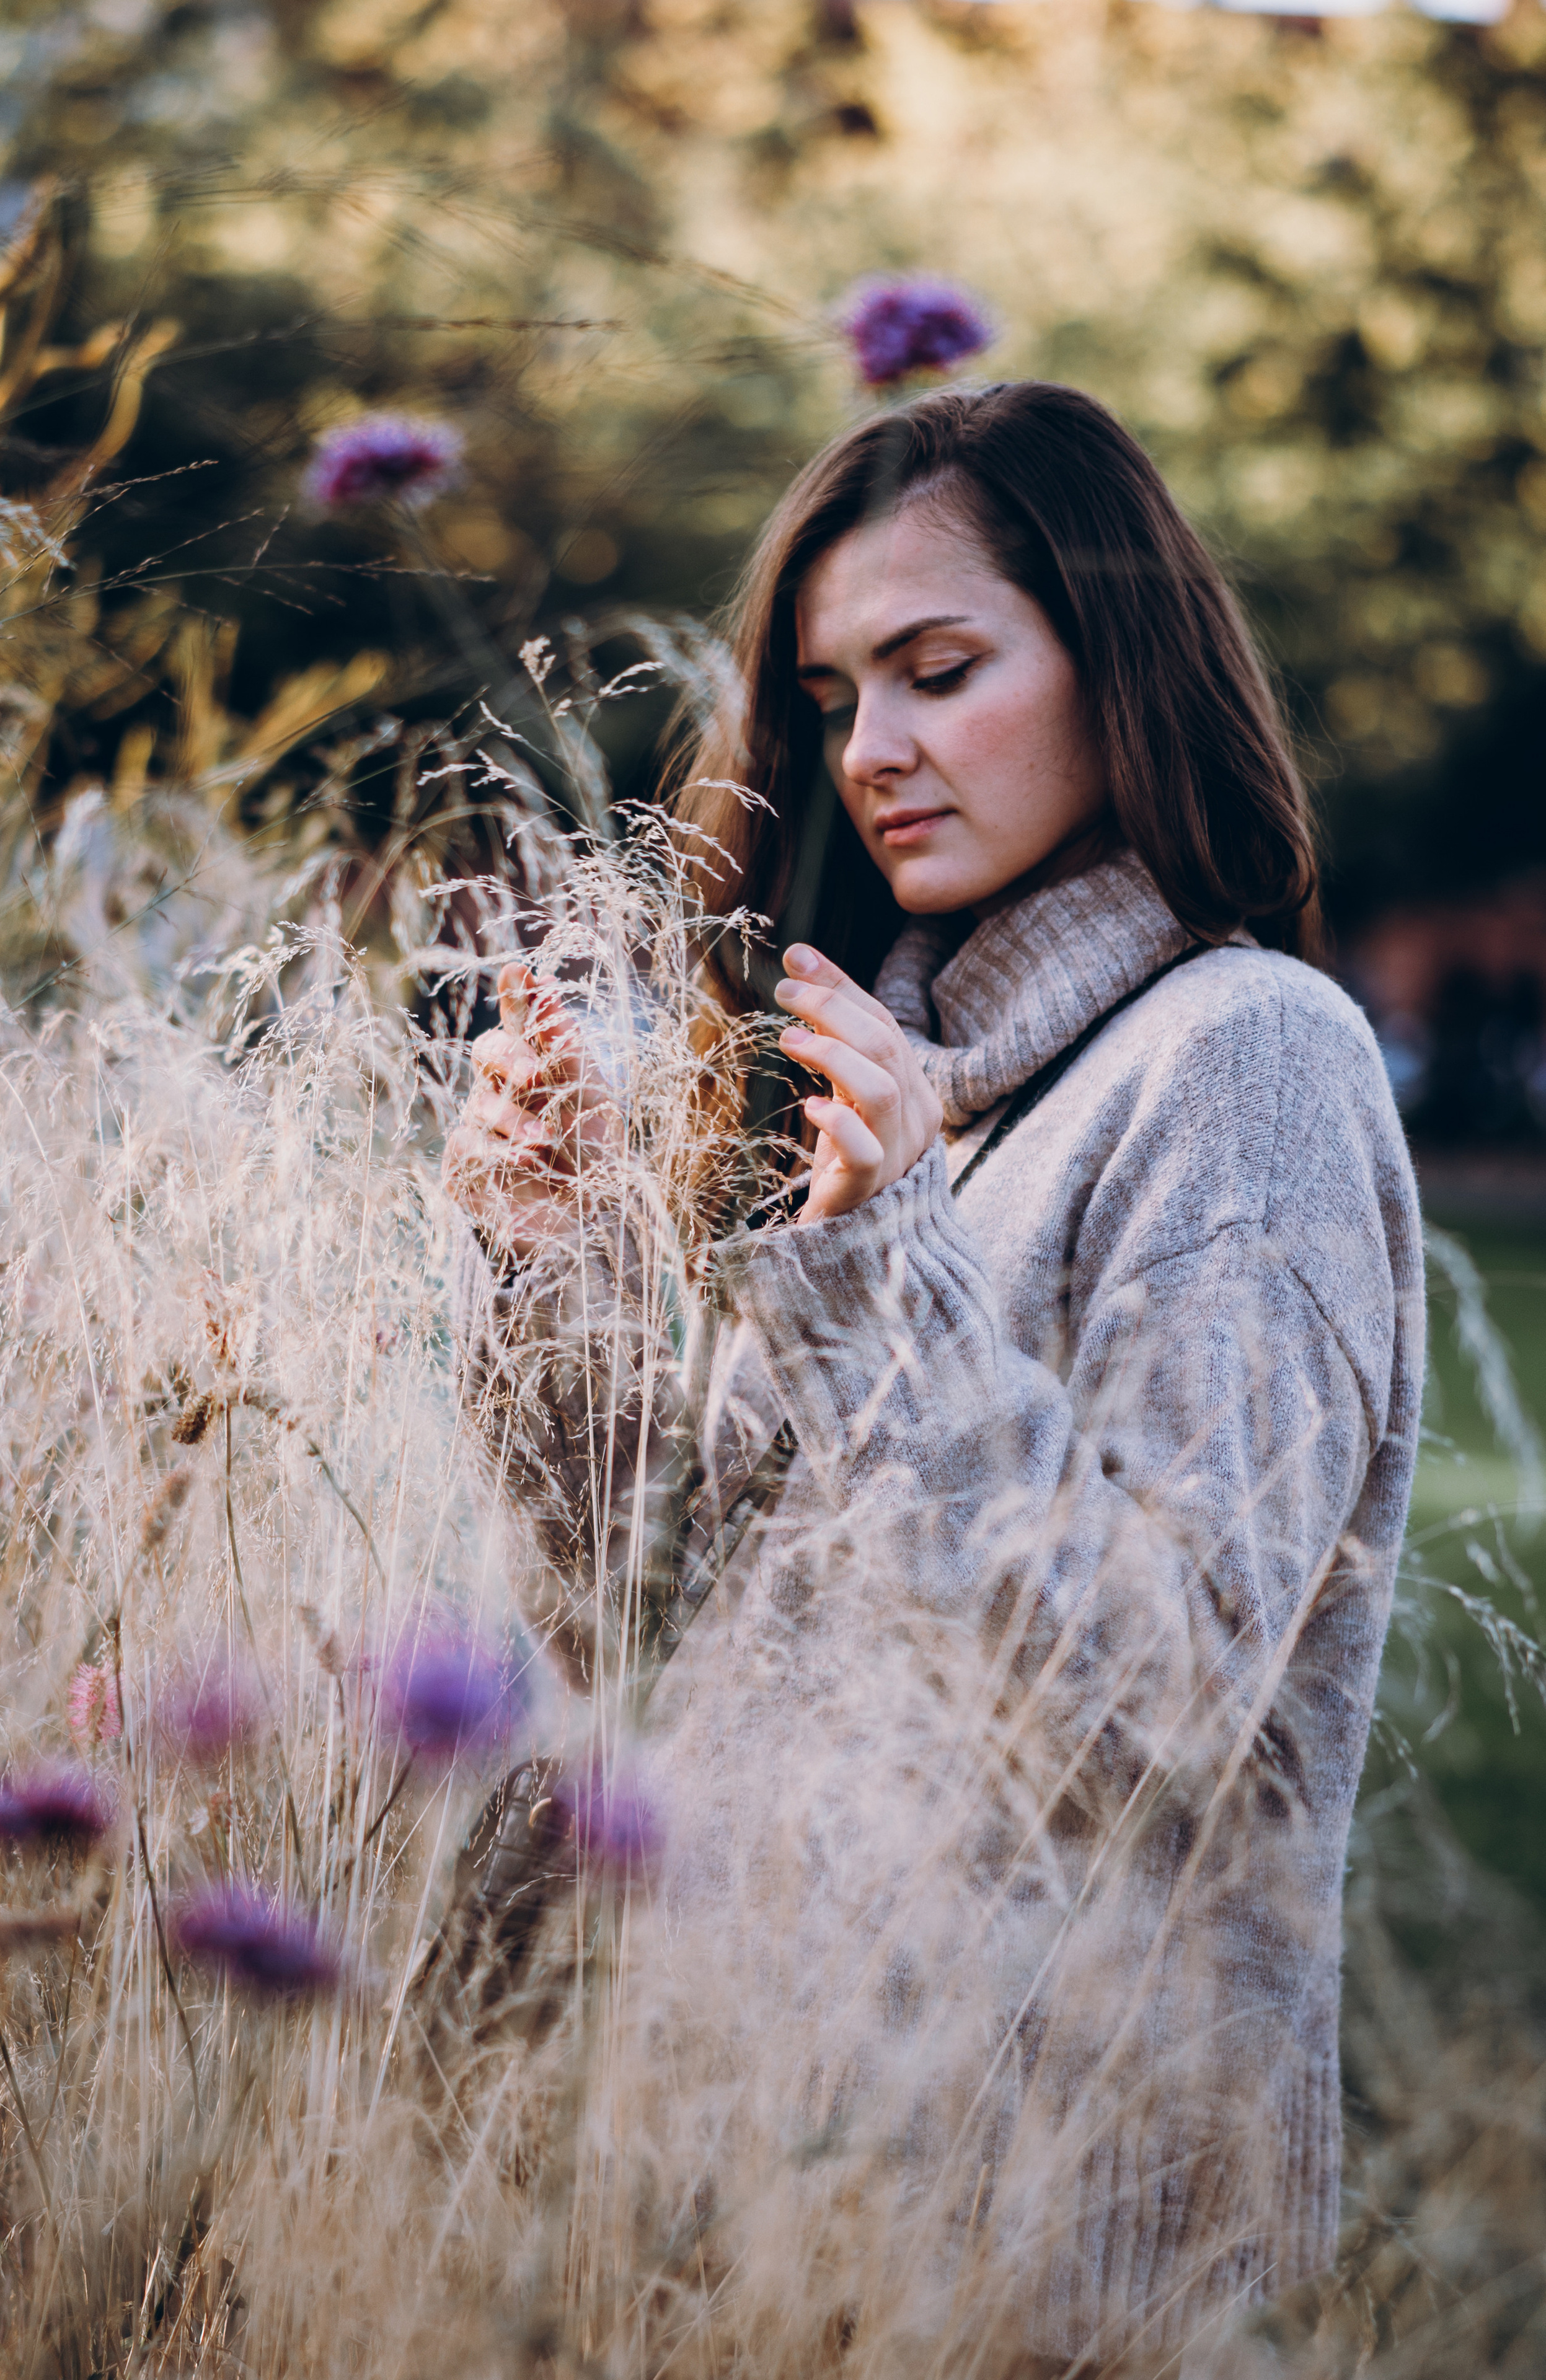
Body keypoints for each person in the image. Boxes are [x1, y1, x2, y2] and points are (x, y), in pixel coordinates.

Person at [441, 382, 1424, 2375]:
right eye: (828, 699)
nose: (870, 750)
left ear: (1121, 662)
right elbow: (647, 1638)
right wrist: (551, 1272)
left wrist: (882, 1280)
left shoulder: (1246, 1065)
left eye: (940, 670)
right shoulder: (898, 1106)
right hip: (752, 2215)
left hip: (1054, 2259)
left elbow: (1152, 1716)